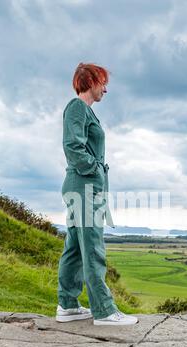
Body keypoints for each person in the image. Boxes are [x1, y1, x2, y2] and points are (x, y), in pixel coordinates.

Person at [56, 62, 138, 326]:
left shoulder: (85, 111)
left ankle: (67, 305)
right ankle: (103, 310)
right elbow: (72, 146)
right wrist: (95, 170)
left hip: (82, 185)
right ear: (91, 81)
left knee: (75, 249)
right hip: (84, 186)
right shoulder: (77, 107)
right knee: (92, 247)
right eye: (103, 82)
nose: (106, 89)